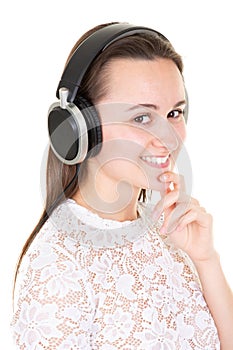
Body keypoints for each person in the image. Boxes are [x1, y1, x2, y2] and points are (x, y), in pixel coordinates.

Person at [11, 21, 233, 349]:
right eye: (141, 117)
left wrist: (206, 260)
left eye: (174, 113)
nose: (169, 138)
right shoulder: (57, 268)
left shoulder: (167, 231)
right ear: (80, 128)